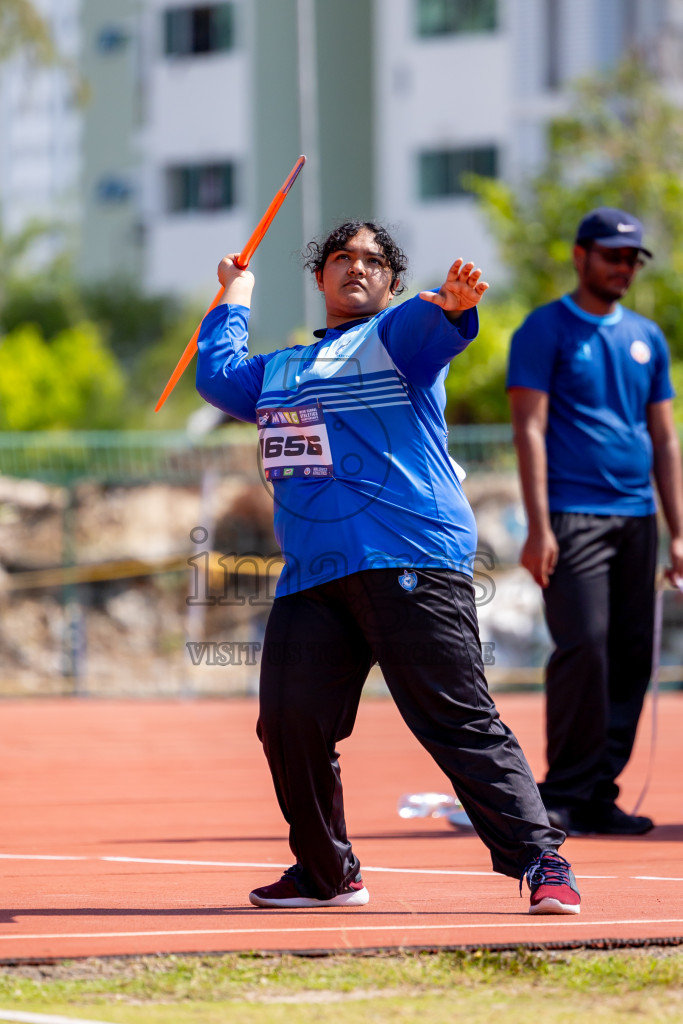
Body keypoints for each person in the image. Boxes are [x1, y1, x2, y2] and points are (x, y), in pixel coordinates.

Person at [196, 219, 580, 915]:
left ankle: (542, 861)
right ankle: (326, 872)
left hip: (410, 558)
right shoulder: (276, 372)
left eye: (372, 260)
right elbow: (218, 377)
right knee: (289, 722)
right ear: (319, 278)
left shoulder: (398, 337)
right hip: (313, 576)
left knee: (455, 719)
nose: (356, 268)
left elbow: (434, 326)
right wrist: (235, 294)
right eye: (340, 258)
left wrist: (455, 305)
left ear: (392, 282)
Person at [507, 207, 683, 837]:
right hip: (571, 515)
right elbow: (528, 428)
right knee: (583, 647)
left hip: (638, 519)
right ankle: (563, 791)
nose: (623, 268)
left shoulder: (646, 337)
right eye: (612, 255)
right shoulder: (544, 330)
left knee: (631, 655)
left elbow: (663, 440)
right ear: (580, 257)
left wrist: (678, 529)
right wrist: (538, 526)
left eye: (632, 259)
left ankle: (598, 794)